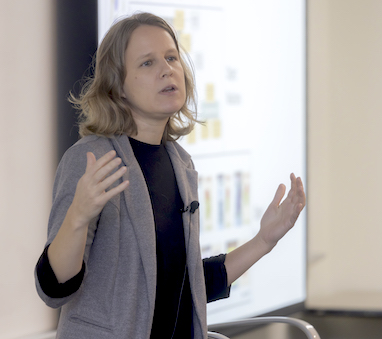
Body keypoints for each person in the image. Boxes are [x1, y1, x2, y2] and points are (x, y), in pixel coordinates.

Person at [35, 12, 306, 339]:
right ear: (117, 86)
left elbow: (185, 284)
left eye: (171, 57)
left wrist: (264, 241)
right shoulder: (92, 158)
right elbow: (54, 288)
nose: (166, 69)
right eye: (147, 63)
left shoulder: (181, 164)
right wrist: (77, 216)